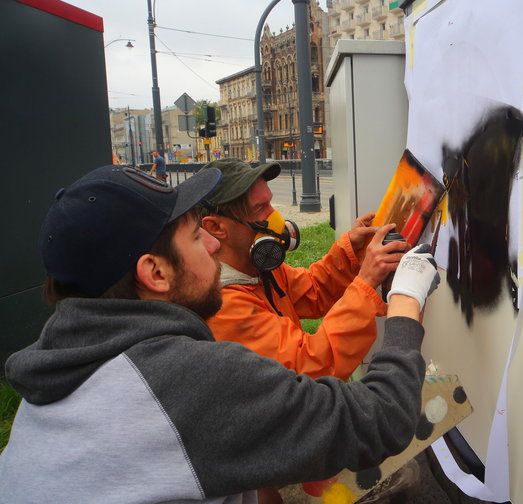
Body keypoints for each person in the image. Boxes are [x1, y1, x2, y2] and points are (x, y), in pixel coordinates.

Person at [0, 165, 441, 503]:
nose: (210, 247)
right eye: (195, 237)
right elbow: (377, 417)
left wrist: (350, 254)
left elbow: (308, 288)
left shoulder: (59, 374)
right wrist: (403, 301)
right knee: (405, 478)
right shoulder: (188, 378)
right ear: (154, 272)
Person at [198, 158, 408, 380]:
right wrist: (365, 283)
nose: (274, 217)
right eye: (260, 208)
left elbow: (313, 290)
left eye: (270, 203)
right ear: (216, 227)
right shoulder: (223, 306)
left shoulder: (255, 267)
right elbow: (310, 365)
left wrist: (351, 253)